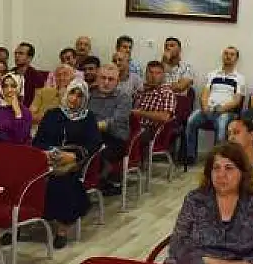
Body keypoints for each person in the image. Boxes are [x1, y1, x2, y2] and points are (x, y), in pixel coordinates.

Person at [166, 143, 253, 264]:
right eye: (216, 168)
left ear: (242, 172)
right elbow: (177, 245)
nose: (221, 175)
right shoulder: (195, 199)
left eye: (229, 168)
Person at [31, 81, 102, 248]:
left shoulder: (88, 118)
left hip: (74, 163)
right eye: (72, 93)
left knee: (62, 182)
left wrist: (73, 155)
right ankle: (20, 224)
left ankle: (62, 229)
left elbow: (94, 144)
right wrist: (48, 152)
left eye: (79, 96)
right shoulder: (52, 114)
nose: (74, 99)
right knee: (23, 178)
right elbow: (38, 140)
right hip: (48, 157)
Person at [184, 46, 246, 165]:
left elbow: (237, 100)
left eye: (232, 54)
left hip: (227, 111)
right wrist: (205, 105)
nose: (228, 56)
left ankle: (217, 159)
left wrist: (221, 109)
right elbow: (205, 93)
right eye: (226, 53)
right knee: (191, 120)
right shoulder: (212, 74)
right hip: (209, 108)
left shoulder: (239, 78)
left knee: (222, 125)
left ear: (236, 59)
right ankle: (190, 156)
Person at [87, 62, 132, 196]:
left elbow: (114, 122)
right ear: (97, 79)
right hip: (94, 135)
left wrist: (89, 127)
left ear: (117, 82)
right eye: (103, 78)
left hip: (115, 138)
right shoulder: (91, 95)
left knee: (93, 152)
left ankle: (101, 180)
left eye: (111, 79)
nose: (106, 82)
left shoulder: (124, 97)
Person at [131, 61, 177, 142]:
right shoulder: (141, 90)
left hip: (151, 131)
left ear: (163, 75)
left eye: (157, 73)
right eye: (151, 72)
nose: (153, 76)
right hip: (134, 126)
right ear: (146, 74)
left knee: (123, 136)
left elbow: (164, 117)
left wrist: (140, 113)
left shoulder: (166, 92)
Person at [12, 42, 48, 108]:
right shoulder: (10, 73)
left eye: (21, 53)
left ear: (30, 58)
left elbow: (39, 99)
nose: (17, 56)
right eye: (15, 53)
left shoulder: (36, 76)